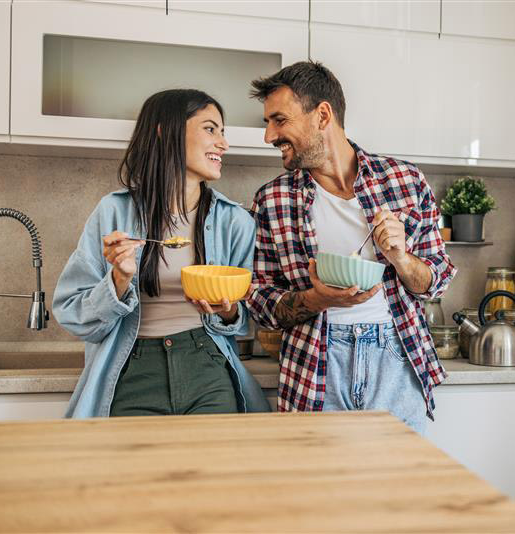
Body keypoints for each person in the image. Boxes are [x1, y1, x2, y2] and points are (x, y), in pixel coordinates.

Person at [246, 61, 456, 433]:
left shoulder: (404, 181)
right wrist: (319, 298)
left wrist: (402, 259)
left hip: (396, 357)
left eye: (279, 120)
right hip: (315, 363)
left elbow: (436, 280)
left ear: (322, 114)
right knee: (321, 488)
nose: (269, 136)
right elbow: (262, 302)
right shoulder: (272, 199)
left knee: (400, 486)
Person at [53, 89, 270, 418]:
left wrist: (227, 314)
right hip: (134, 367)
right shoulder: (113, 213)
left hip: (207, 363)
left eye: (223, 133)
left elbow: (244, 325)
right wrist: (118, 279)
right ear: (164, 131)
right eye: (211, 129)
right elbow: (74, 318)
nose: (223, 144)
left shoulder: (236, 222)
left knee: (217, 468)